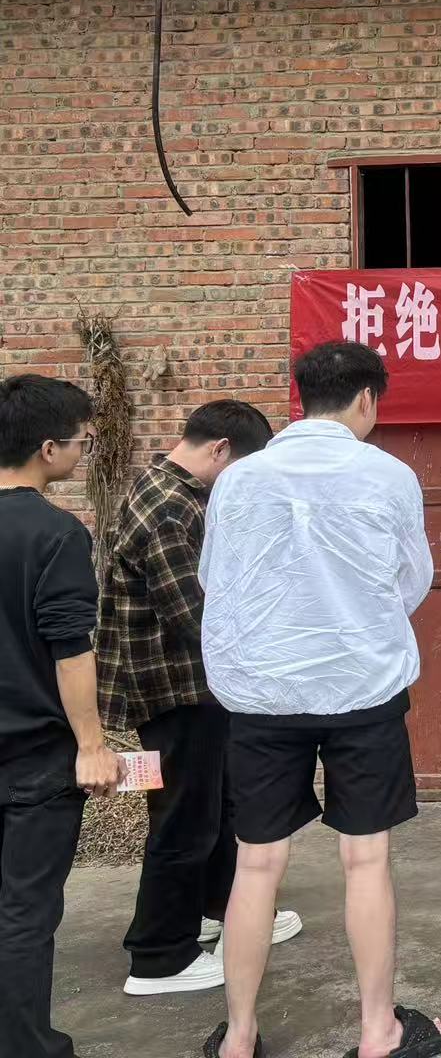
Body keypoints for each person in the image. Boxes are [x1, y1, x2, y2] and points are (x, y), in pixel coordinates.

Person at [197, 342, 441, 1058]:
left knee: (256, 863)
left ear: (300, 396)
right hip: (361, 689)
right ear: (367, 399)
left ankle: (239, 1036)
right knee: (365, 859)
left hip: (262, 693)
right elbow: (410, 582)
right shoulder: (389, 475)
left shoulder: (239, 479)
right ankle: (377, 1030)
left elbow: (216, 580)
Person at [96, 400, 302, 997]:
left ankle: (219, 910)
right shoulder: (168, 505)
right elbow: (194, 615)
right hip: (173, 690)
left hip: (198, 688)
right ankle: (158, 955)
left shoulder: (178, 493)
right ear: (220, 451)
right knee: (184, 820)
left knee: (218, 809)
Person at [0, 375, 124, 1058]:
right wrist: (92, 745)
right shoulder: (55, 533)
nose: (82, 454)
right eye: (82, 443)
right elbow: (70, 647)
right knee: (25, 911)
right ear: (48, 448)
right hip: (34, 759)